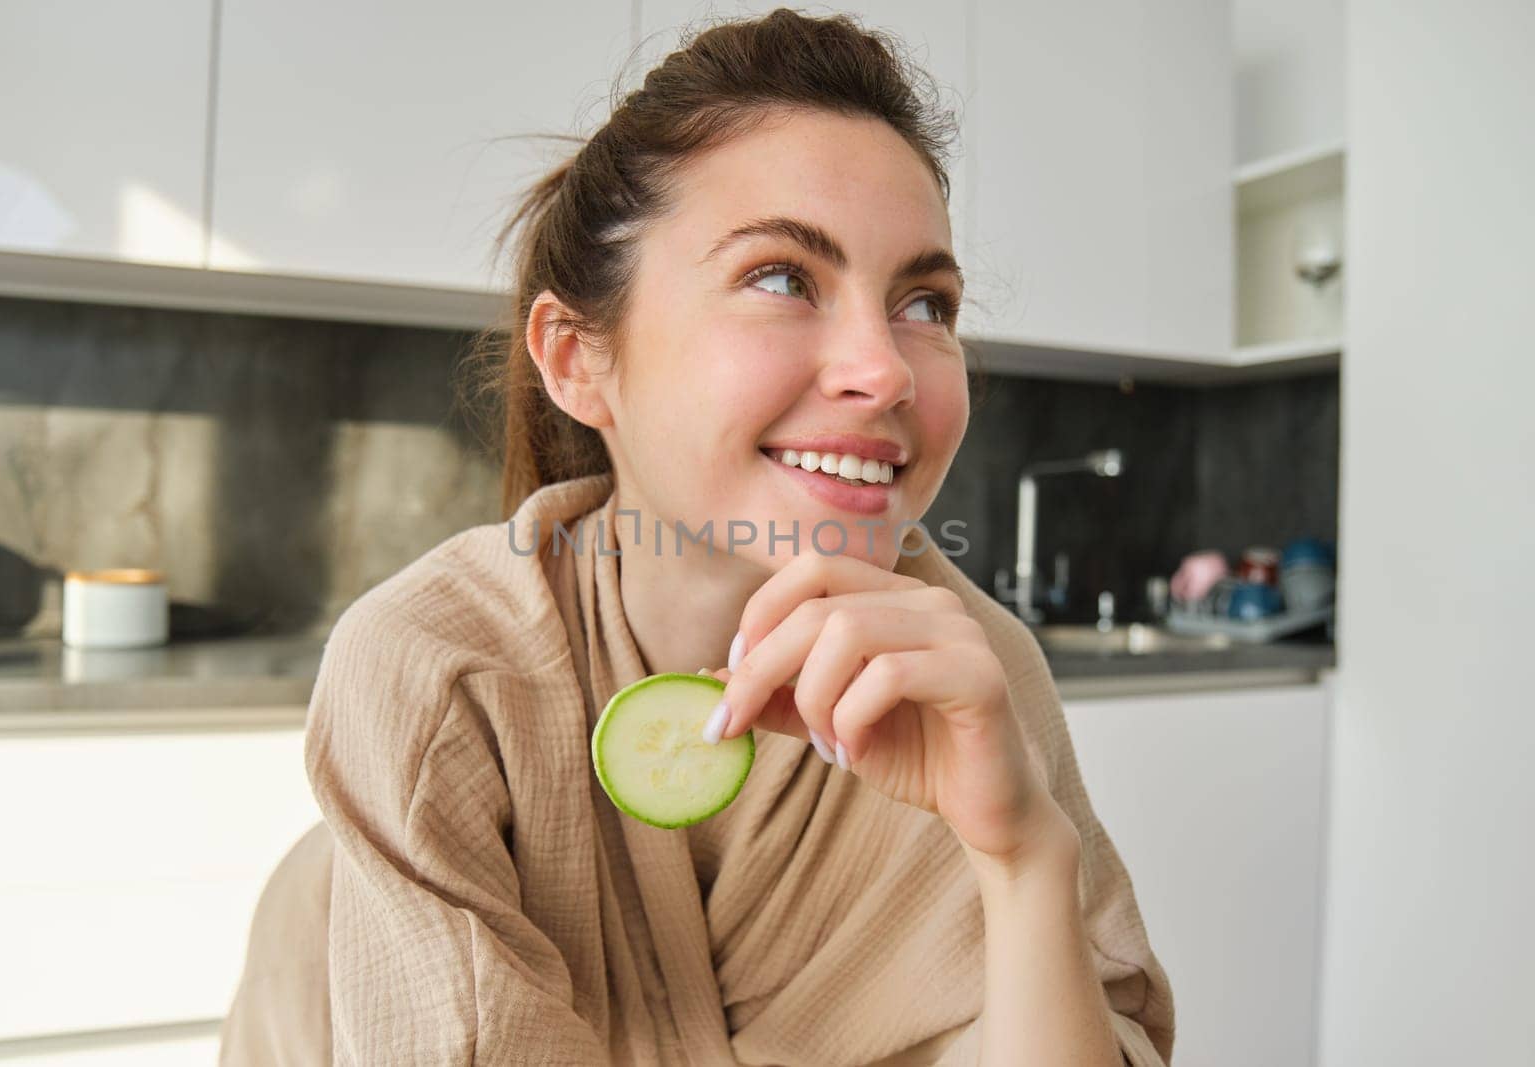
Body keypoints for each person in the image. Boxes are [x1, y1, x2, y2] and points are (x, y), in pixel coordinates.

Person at [220, 9, 1174, 1065]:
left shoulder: (975, 676)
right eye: (781, 277)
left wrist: (1025, 856)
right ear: (579, 360)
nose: (887, 368)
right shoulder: (437, 675)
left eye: (923, 300)